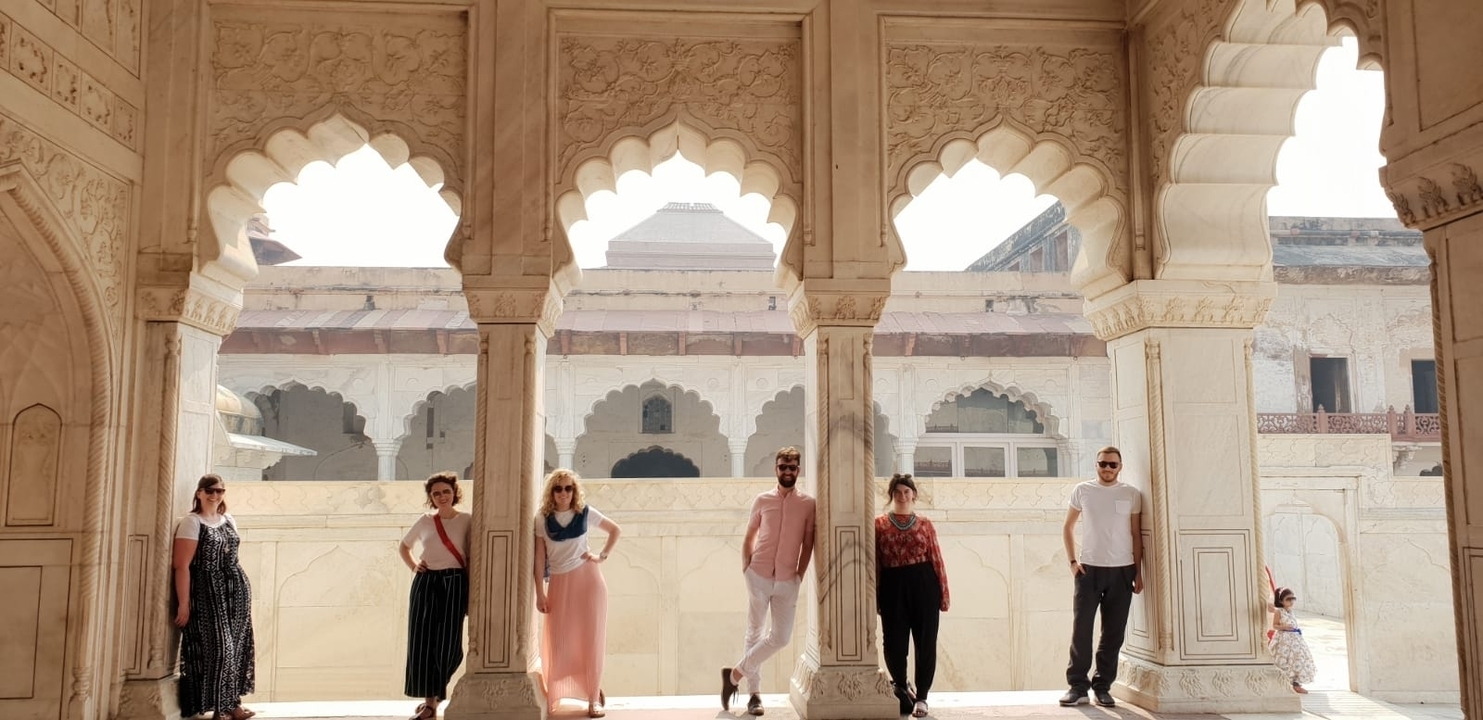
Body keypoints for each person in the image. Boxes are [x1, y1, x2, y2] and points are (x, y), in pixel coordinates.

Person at [721, 446, 816, 717]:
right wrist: (746, 567)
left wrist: (800, 574)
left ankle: (734, 674)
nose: (787, 472)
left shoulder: (808, 504)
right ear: (776, 469)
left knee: (781, 637)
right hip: (759, 575)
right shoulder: (762, 500)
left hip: (788, 579)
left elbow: (808, 542)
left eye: (792, 468)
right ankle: (754, 695)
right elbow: (750, 534)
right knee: (754, 633)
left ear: (798, 470)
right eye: (783, 467)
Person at [1060, 446, 1143, 708]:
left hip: (1122, 569)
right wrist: (1073, 561)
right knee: (1082, 629)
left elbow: (1136, 534)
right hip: (1089, 570)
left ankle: (1103, 686)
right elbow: (1068, 526)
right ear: (1096, 464)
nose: (1107, 469)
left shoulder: (1131, 494)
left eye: (1113, 465)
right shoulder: (1083, 490)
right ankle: (1077, 686)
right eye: (1103, 464)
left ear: (1120, 467)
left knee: (1113, 633)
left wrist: (1138, 572)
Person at [534, 469, 622, 718]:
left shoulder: (584, 513)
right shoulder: (542, 518)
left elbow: (615, 530)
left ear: (574, 491)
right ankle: (557, 693)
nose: (564, 493)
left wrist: (601, 556)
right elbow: (539, 557)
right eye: (558, 488)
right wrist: (540, 592)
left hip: (588, 580)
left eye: (568, 488)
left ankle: (593, 699)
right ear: (551, 492)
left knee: (591, 638)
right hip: (560, 582)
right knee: (559, 639)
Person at [173, 474, 256, 720]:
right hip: (207, 592)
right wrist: (184, 603)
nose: (215, 495)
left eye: (219, 491)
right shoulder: (192, 522)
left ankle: (231, 706)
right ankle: (218, 707)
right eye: (209, 490)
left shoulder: (228, 519)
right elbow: (181, 565)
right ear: (199, 493)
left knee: (237, 648)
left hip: (236, 591)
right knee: (220, 649)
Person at [875, 474, 949, 718]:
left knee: (925, 641)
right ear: (891, 495)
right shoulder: (880, 524)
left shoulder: (925, 524)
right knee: (894, 643)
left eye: (907, 492)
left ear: (914, 495)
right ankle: (902, 684)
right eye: (897, 492)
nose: (902, 496)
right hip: (892, 584)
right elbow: (875, 562)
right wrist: (875, 595)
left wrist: (944, 593)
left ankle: (923, 697)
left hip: (923, 583)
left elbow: (936, 558)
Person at [399, 472, 471, 720]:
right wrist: (413, 566)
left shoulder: (467, 520)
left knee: (449, 646)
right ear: (431, 497)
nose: (442, 497)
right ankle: (431, 702)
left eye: (446, 492)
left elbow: (472, 556)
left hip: (455, 582)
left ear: (454, 493)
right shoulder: (425, 521)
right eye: (436, 493)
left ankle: (436, 697)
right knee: (422, 643)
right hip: (426, 582)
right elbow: (404, 546)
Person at [1269, 587, 1317, 694]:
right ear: (1281, 601)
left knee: (1298, 660)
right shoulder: (1279, 612)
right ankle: (1284, 683)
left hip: (1295, 639)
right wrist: (1284, 627)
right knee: (1285, 661)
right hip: (1284, 640)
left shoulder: (1290, 611)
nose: (1291, 602)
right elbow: (1275, 625)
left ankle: (1296, 684)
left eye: (1292, 599)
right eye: (1288, 599)